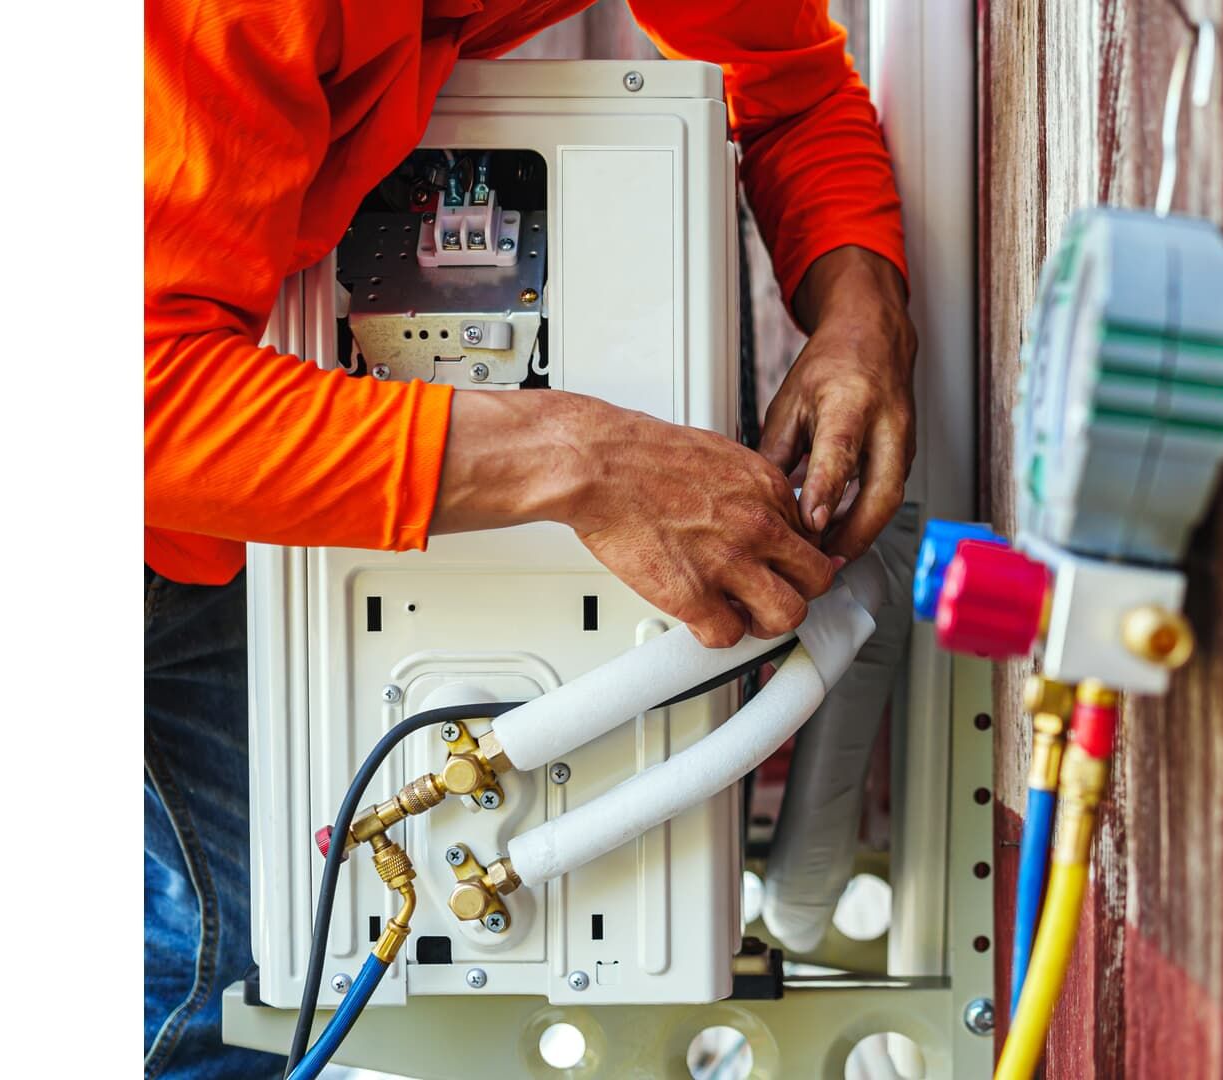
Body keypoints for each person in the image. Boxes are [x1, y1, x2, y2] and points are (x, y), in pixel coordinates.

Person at [144, 2, 915, 1075]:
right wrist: (583, 462)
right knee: (212, 994)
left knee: (287, 980)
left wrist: (860, 311)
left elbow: (792, 88)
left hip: (208, 517)